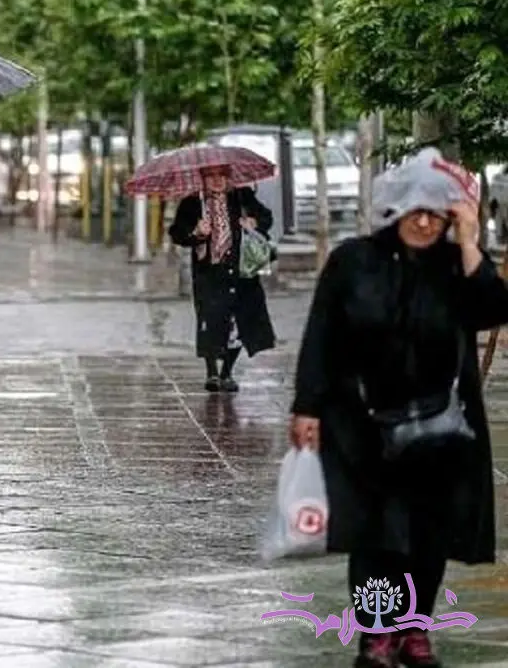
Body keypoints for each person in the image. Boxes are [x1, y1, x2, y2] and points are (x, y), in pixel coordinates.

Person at [289, 149, 508, 668]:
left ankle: (415, 630)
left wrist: (471, 239)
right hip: (363, 426)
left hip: (440, 430)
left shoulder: (456, 267)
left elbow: (494, 309)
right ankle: (376, 635)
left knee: (427, 539)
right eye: (417, 211)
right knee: (375, 540)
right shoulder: (353, 260)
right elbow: (321, 336)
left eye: (438, 213)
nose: (426, 222)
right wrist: (308, 407)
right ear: (395, 211)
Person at [168, 165, 276, 391]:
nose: (217, 181)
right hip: (210, 272)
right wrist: (197, 233)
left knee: (238, 322)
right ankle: (212, 372)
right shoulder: (193, 202)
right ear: (203, 179)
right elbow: (177, 232)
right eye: (211, 177)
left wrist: (254, 223)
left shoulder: (242, 196)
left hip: (241, 271)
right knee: (211, 320)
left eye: (222, 176)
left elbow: (266, 217)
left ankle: (227, 371)